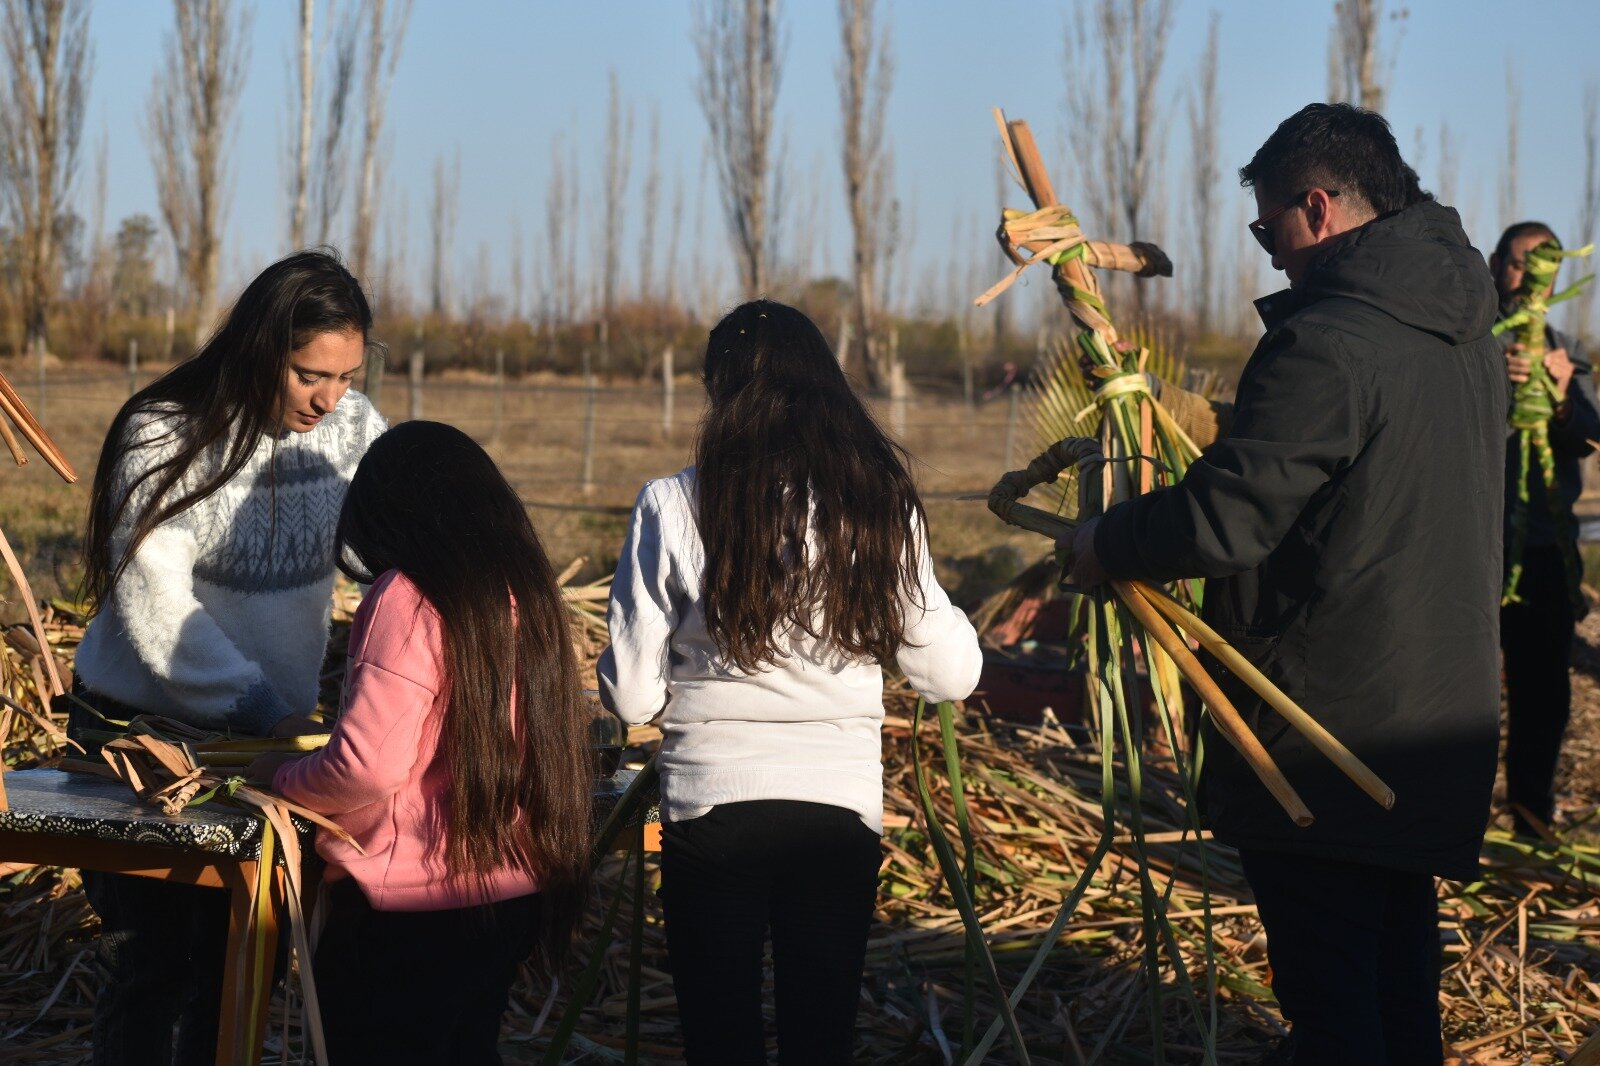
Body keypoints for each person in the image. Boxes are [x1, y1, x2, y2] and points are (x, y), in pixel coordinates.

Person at [1062, 103, 1504, 1063]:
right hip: (1435, 718)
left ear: (1319, 207)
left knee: (1334, 1002)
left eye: (1270, 230)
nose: (1269, 255)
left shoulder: (1331, 338)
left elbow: (1228, 519)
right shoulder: (1463, 332)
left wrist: (1110, 539)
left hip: (1323, 733)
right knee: (1395, 991)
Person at [597, 300, 982, 1065]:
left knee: (719, 1032)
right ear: (826, 387)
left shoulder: (672, 504)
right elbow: (951, 672)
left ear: (720, 393)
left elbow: (632, 697)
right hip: (837, 809)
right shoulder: (877, 507)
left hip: (711, 806)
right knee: (821, 1031)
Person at [72, 249, 387, 1065]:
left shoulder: (353, 430)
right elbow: (154, 599)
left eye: (348, 375)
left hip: (268, 740)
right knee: (153, 960)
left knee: (241, 958)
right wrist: (264, 709)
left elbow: (382, 549)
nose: (331, 397)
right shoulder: (167, 432)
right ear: (260, 348)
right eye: (310, 374)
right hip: (142, 737)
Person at [248, 421, 592, 1065]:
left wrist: (284, 777)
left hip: (407, 904)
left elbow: (368, 765)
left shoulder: (407, 596)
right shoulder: (525, 595)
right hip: (508, 892)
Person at [1488, 221, 1600, 837]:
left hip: (1544, 548)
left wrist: (1557, 393)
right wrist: (1490, 382)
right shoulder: (1470, 343)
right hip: (1475, 548)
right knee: (1462, 697)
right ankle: (1450, 825)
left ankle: (1532, 815)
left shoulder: (1567, 350)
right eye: (1518, 261)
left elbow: (1587, 435)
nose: (1529, 274)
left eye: (1544, 263)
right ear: (1497, 265)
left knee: (1543, 694)